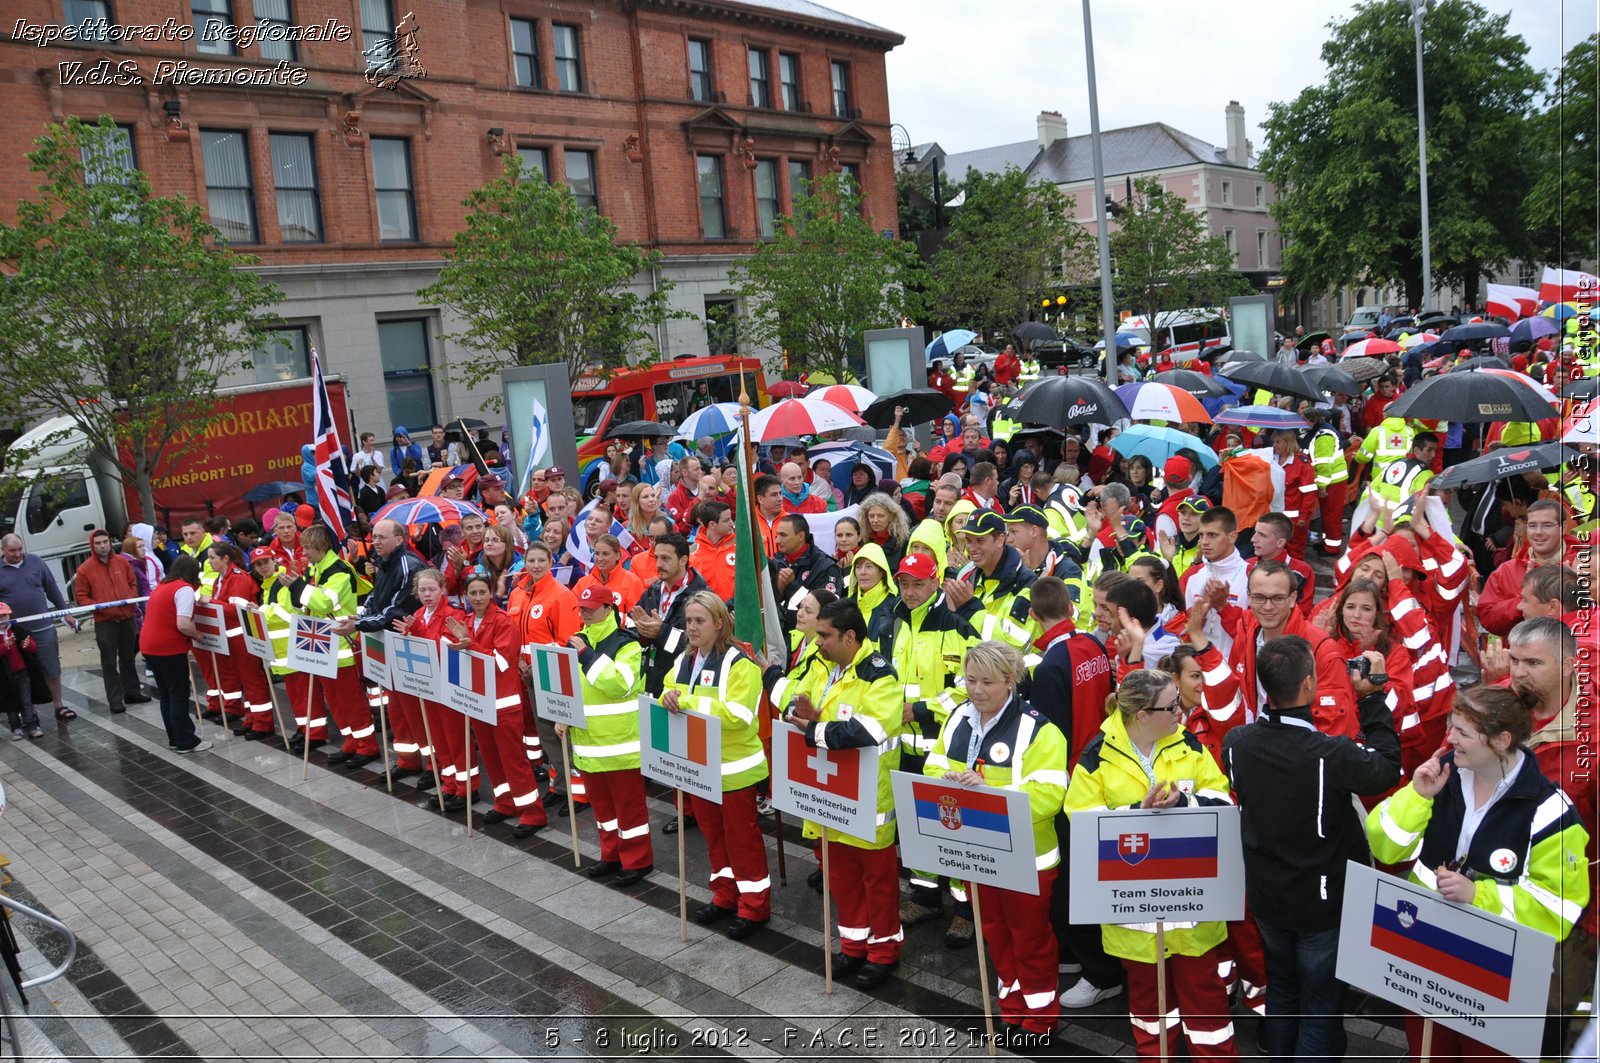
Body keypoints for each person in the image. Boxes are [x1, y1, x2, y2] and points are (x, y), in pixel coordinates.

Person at [1366, 684, 1591, 1062]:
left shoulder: (1552, 811)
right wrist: (1417, 796)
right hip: (1426, 958)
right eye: (1453, 727)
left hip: (1496, 977)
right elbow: (1384, 846)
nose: (1450, 738)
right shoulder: (1442, 777)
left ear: (1501, 741)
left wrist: (1477, 896)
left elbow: (1560, 907)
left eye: (1463, 733)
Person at [1223, 635, 1401, 1061]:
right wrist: (1373, 699)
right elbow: (1386, 769)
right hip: (1321, 903)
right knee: (1321, 1004)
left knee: (1283, 988)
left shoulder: (1237, 742)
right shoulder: (1331, 753)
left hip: (1267, 895)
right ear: (1309, 685)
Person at [1064, 669, 1237, 1057]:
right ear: (1141, 714)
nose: (1180, 710)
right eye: (1171, 705)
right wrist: (1135, 813)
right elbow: (1080, 819)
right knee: (1149, 1009)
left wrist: (1185, 803)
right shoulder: (1097, 757)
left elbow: (1223, 800)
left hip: (1193, 909)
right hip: (1134, 916)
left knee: (1206, 1007)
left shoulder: (1188, 744)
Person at [924, 641, 1067, 1035]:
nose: (976, 690)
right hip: (977, 852)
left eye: (987, 681)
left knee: (1030, 938)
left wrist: (986, 791)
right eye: (970, 680)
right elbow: (933, 764)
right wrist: (946, 780)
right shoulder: (958, 718)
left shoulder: (1038, 729)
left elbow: (1050, 796)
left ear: (1010, 680)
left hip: (1027, 859)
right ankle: (1012, 1003)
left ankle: (1040, 1018)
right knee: (996, 933)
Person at [780, 599, 903, 990]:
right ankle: (854, 944)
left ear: (850, 636)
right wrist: (797, 711)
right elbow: (791, 700)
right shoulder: (823, 666)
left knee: (878, 885)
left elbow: (867, 731)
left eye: (825, 635)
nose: (818, 642)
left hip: (869, 801)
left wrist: (813, 730)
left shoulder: (880, 676)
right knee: (842, 879)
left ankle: (883, 951)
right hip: (828, 796)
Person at [665, 592, 771, 937]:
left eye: (699, 621)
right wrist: (668, 697)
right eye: (688, 621)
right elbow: (669, 688)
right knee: (714, 838)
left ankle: (754, 907)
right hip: (700, 767)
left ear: (719, 623)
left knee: (742, 841)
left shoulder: (739, 663)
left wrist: (689, 702)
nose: (691, 628)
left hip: (735, 769)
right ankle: (726, 894)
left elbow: (740, 716)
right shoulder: (685, 658)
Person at [559, 585, 652, 881]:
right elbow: (568, 685)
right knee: (604, 811)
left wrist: (586, 656)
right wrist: (562, 715)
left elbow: (619, 684)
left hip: (620, 745)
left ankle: (637, 861)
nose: (584, 613)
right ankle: (611, 854)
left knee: (629, 811)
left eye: (590, 608)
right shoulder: (579, 640)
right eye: (582, 609)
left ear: (608, 609)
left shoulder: (627, 644)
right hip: (587, 746)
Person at [333, 519, 426, 775]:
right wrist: (360, 618)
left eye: (382, 537)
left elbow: (394, 610)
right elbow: (376, 598)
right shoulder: (385, 563)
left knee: (415, 709)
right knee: (397, 707)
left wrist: (359, 625)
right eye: (374, 536)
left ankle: (436, 769)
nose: (375, 541)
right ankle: (408, 760)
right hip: (388, 642)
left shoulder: (409, 565)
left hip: (409, 641)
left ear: (399, 539)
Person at [138, 554, 212, 754]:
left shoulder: (162, 587)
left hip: (149, 646)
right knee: (179, 694)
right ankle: (186, 740)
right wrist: (198, 635)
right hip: (168, 648)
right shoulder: (184, 589)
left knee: (166, 695)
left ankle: (174, 738)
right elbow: (183, 623)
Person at [0, 533, 78, 721]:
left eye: (20, 549)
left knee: (52, 667)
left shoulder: (35, 562)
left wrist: (65, 612)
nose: (18, 554)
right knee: (25, 672)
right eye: (13, 550)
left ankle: (58, 705)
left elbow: (52, 589)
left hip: (43, 627)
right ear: (3, 550)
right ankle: (30, 712)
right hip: (16, 631)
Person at [944, 510, 1040, 651]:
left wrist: (969, 608)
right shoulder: (967, 574)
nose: (972, 548)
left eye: (980, 541)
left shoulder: (1026, 583)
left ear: (1000, 540)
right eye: (969, 541)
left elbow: (1015, 642)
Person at [74, 528, 147, 714]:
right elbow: (81, 596)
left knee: (128, 657)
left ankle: (132, 692)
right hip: (105, 622)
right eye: (98, 543)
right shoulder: (85, 569)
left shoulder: (122, 562)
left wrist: (129, 600)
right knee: (108, 662)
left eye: (105, 542)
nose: (102, 546)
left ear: (109, 542)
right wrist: (99, 606)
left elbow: (133, 584)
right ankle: (115, 699)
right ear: (93, 545)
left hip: (127, 617)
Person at [1178, 507, 1249, 658]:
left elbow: (1253, 634)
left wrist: (1224, 608)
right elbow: (1180, 629)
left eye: (1213, 535)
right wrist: (1198, 615)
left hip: (1235, 670)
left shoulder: (1251, 576)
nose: (1204, 542)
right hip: (1197, 669)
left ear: (1232, 537)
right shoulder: (1191, 575)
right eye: (1202, 535)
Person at [1247, 512, 1314, 616]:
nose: (1253, 539)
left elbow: (1302, 615)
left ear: (1280, 542)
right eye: (1255, 533)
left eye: (1262, 535)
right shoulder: (1246, 565)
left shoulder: (1302, 572)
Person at [0, 605, 42, 739]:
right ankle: (15, 727)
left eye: (4, 616)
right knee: (10, 703)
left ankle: (31, 725)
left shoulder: (17, 630)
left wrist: (27, 645)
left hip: (22, 672)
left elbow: (32, 647)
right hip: (4, 677)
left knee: (26, 701)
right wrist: (4, 647)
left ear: (9, 616)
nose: (2, 619)